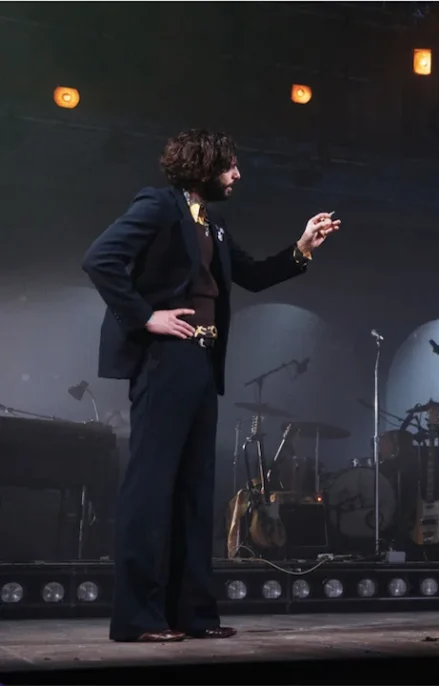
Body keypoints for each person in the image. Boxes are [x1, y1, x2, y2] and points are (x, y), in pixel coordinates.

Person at [82, 129, 340, 643]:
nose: (238, 175)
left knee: (197, 491)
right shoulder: (158, 206)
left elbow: (254, 274)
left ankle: (192, 613)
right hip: (164, 359)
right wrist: (144, 317)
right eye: (230, 166)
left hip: (201, 361)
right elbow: (100, 259)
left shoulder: (213, 224)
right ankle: (139, 617)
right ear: (203, 167)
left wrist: (303, 248)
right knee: (151, 488)